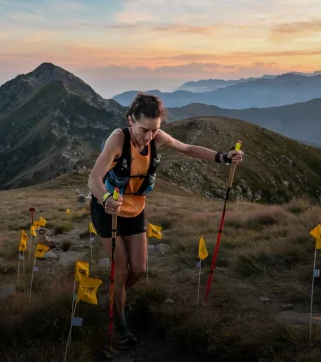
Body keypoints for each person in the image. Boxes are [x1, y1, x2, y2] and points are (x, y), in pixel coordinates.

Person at [87, 92, 243, 346]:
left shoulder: (156, 138)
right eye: (143, 129)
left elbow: (187, 148)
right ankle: (118, 322)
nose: (148, 136)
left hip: (136, 208)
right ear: (130, 120)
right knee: (123, 267)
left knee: (139, 269)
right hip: (108, 211)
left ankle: (116, 297)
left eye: (154, 130)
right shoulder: (118, 139)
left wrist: (222, 157)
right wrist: (105, 199)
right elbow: (93, 179)